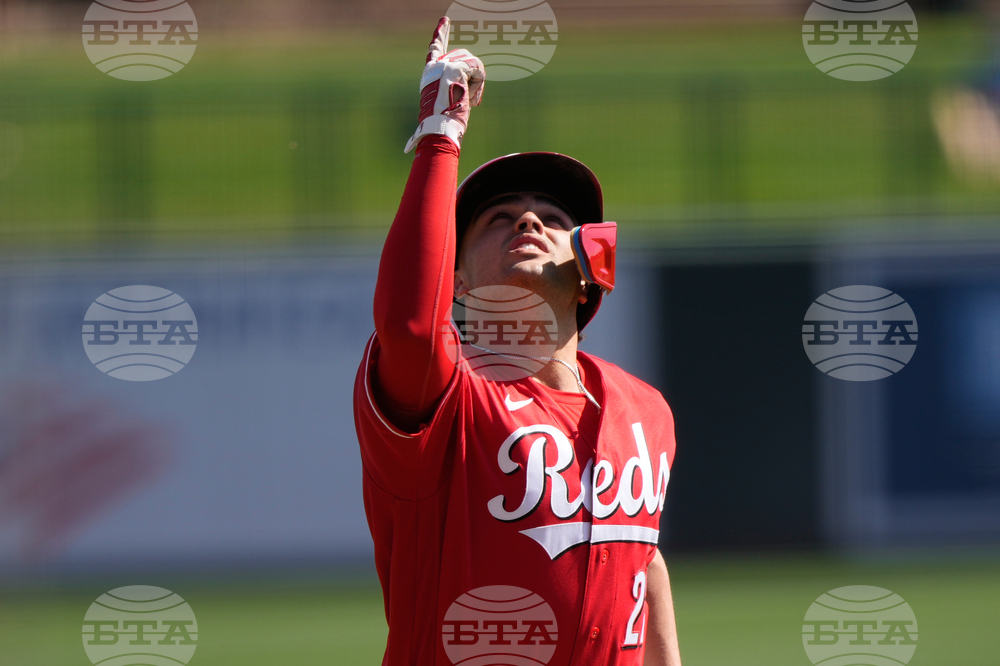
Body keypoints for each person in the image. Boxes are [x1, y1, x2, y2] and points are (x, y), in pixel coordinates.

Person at [353, 17, 681, 666]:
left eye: (554, 218)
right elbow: (412, 324)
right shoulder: (448, 396)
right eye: (497, 219)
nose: (528, 219)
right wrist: (440, 140)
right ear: (458, 277)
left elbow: (641, 555)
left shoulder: (646, 410)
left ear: (593, 263)